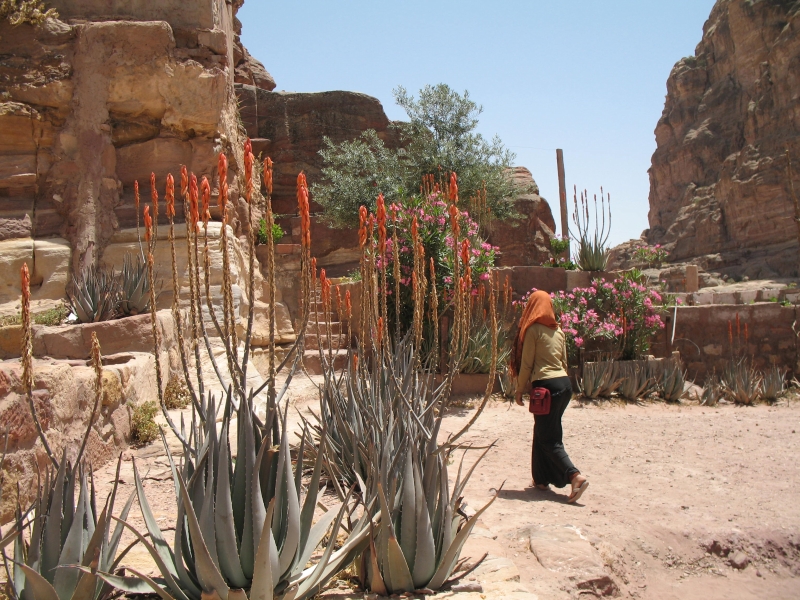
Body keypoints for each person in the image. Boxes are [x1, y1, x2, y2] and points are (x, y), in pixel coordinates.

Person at [510, 290, 588, 503]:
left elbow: (526, 363)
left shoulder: (533, 330)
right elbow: (563, 361)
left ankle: (574, 476)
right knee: (544, 430)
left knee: (547, 437)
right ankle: (541, 479)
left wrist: (518, 389)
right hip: (564, 385)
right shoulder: (559, 331)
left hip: (545, 387)